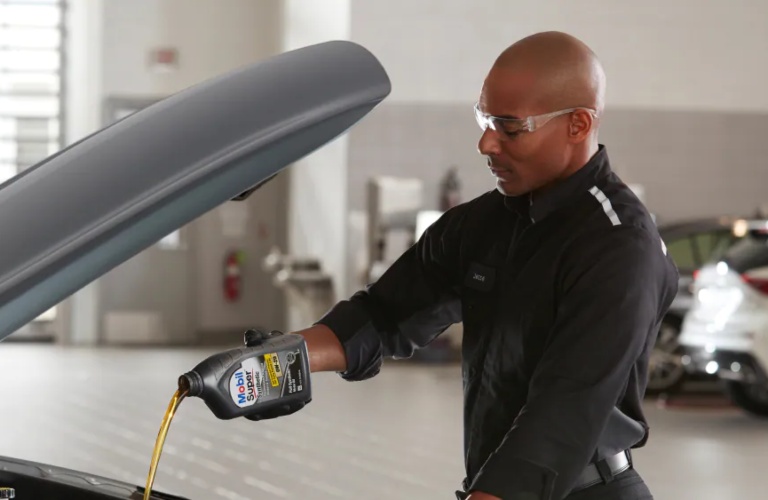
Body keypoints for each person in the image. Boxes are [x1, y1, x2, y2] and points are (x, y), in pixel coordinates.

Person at [291, 31, 679, 500]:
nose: (485, 143)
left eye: (510, 127)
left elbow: (563, 415)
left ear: (578, 124)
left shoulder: (619, 246)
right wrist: (280, 360)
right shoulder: (482, 223)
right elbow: (382, 314)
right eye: (484, 119)